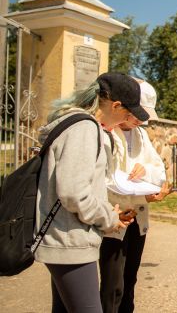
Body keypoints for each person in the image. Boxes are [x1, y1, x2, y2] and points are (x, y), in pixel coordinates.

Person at [36, 72, 147, 313]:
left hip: (64, 238)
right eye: (128, 114)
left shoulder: (78, 124)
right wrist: (108, 218)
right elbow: (74, 192)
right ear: (116, 106)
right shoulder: (85, 128)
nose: (127, 120)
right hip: (71, 241)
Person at [100, 80, 172, 313]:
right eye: (137, 115)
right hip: (115, 218)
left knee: (130, 279)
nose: (140, 121)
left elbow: (158, 170)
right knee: (113, 285)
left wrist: (146, 172)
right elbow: (108, 179)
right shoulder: (108, 131)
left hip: (137, 218)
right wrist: (139, 189)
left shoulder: (140, 135)